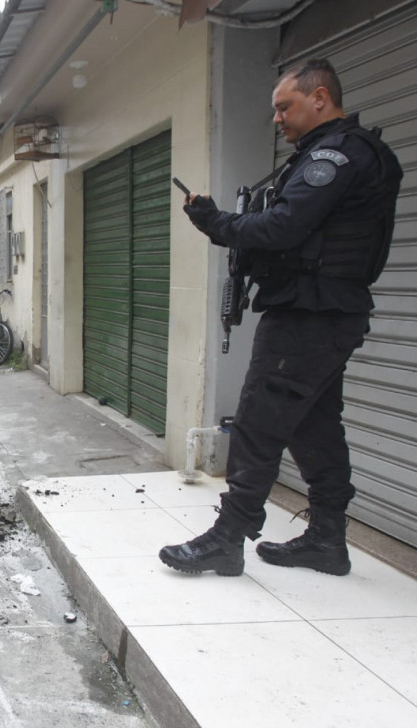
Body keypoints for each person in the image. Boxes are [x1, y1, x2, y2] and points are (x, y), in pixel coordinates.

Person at [160, 59, 403, 577]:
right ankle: (327, 541)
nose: (277, 118)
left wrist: (216, 222)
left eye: (284, 106)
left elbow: (283, 227)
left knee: (259, 420)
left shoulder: (335, 156)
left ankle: (228, 538)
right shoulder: (333, 155)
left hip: (309, 314)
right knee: (314, 427)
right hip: (324, 311)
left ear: (320, 98)